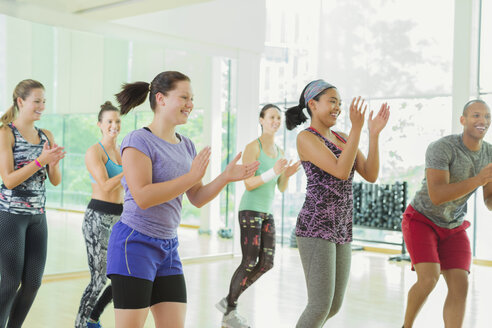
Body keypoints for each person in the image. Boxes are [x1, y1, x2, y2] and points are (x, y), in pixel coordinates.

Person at [106, 71, 260, 328]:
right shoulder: (137, 140)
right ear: (161, 99)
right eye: (184, 97)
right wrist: (191, 177)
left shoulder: (186, 145)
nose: (190, 104)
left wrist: (225, 177)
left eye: (192, 98)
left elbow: (197, 198)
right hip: (134, 243)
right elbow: (143, 196)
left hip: (168, 247)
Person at [285, 79, 390, 327]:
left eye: (340, 103)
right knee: (319, 305)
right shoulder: (306, 138)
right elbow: (340, 171)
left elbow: (371, 174)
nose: (338, 108)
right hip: (315, 227)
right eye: (332, 101)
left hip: (341, 226)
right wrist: (357, 129)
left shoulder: (343, 137)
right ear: (313, 104)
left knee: (333, 306)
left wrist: (372, 135)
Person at [401, 99, 492, 328]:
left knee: (460, 285)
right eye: (476, 116)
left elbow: (489, 200)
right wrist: (479, 179)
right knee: (429, 279)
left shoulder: (490, 154)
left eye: (487, 116)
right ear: (463, 120)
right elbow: (437, 195)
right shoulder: (442, 147)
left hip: (453, 225)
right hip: (422, 219)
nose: (483, 121)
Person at [216, 104, 301, 327]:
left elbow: (280, 187)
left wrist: (287, 174)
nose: (276, 121)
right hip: (250, 209)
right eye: (272, 117)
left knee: (267, 262)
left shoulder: (280, 152)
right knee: (249, 260)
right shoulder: (253, 147)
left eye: (278, 119)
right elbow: (249, 183)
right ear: (261, 120)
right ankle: (229, 314)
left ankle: (229, 301)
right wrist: (274, 171)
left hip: (267, 212)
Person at [0, 79, 65, 328]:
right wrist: (40, 160)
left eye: (44, 101)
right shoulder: (6, 133)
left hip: (38, 216)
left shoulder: (45, 135)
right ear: (20, 101)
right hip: (10, 216)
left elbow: (55, 181)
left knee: (33, 282)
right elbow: (8, 181)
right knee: (10, 281)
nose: (42, 106)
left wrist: (54, 163)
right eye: (37, 101)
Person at [75, 101, 124, 328]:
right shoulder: (94, 151)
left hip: (120, 218)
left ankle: (93, 317)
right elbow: (105, 186)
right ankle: (81, 323)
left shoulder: (122, 150)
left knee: (122, 276)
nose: (114, 125)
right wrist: (129, 171)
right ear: (100, 125)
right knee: (98, 280)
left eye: (117, 121)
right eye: (109, 122)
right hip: (98, 218)